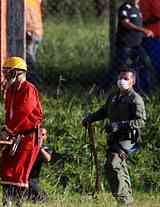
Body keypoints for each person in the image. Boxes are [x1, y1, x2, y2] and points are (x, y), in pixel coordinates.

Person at [82, 67, 146, 207]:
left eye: (126, 78)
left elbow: (141, 121)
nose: (122, 81)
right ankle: (124, 198)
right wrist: (91, 118)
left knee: (113, 163)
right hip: (114, 138)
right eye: (120, 78)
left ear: (133, 81)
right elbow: (104, 111)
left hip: (128, 139)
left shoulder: (136, 99)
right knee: (114, 167)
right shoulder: (113, 96)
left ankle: (125, 202)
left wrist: (119, 125)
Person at [0, 56, 44, 207]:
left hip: (28, 137)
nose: (6, 76)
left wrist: (9, 130)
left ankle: (19, 203)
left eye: (8, 72)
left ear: (19, 73)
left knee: (20, 171)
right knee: (6, 167)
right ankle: (7, 201)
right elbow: (9, 113)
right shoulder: (11, 90)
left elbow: (22, 112)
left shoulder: (28, 89)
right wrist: (6, 129)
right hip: (14, 135)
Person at [98, 0, 154, 92]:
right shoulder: (124, 8)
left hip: (136, 45)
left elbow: (137, 23)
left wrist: (143, 33)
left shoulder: (137, 8)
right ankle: (103, 89)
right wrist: (143, 30)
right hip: (125, 45)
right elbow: (125, 23)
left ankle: (142, 89)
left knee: (145, 63)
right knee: (118, 68)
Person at [27, 128, 53, 203]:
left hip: (33, 179)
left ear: (45, 137)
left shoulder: (46, 149)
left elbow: (48, 158)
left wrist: (39, 147)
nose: (41, 136)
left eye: (43, 135)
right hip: (24, 177)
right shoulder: (30, 146)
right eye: (39, 134)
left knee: (42, 197)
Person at [139, 0, 160, 81]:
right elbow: (157, 15)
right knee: (156, 62)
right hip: (152, 36)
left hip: (145, 35)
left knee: (143, 63)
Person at [25, 0, 44, 86]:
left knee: (28, 62)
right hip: (37, 30)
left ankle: (35, 85)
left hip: (29, 31)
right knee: (30, 59)